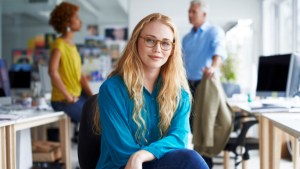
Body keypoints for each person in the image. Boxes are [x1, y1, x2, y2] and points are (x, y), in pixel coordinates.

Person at [94, 13, 209, 169]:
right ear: (136, 42)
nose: (157, 49)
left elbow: (179, 138)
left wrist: (141, 155)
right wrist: (138, 158)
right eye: (150, 40)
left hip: (154, 163)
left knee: (189, 158)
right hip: (122, 166)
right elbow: (123, 153)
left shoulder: (180, 93)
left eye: (165, 43)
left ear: (172, 49)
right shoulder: (112, 89)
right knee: (190, 160)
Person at [182, 0, 227, 168]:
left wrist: (213, 68)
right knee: (191, 126)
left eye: (194, 12)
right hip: (188, 85)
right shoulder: (186, 38)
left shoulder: (214, 32)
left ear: (204, 14)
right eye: (189, 11)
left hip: (205, 84)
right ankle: (197, 161)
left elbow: (219, 52)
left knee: (204, 126)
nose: (190, 14)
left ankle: (206, 163)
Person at [48, 2, 93, 122]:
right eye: (76, 18)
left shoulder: (72, 46)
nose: (80, 21)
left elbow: (80, 76)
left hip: (76, 97)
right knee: (94, 123)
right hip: (63, 101)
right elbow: (52, 72)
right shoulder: (59, 45)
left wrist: (93, 96)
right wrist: (68, 97)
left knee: (102, 115)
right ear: (67, 22)